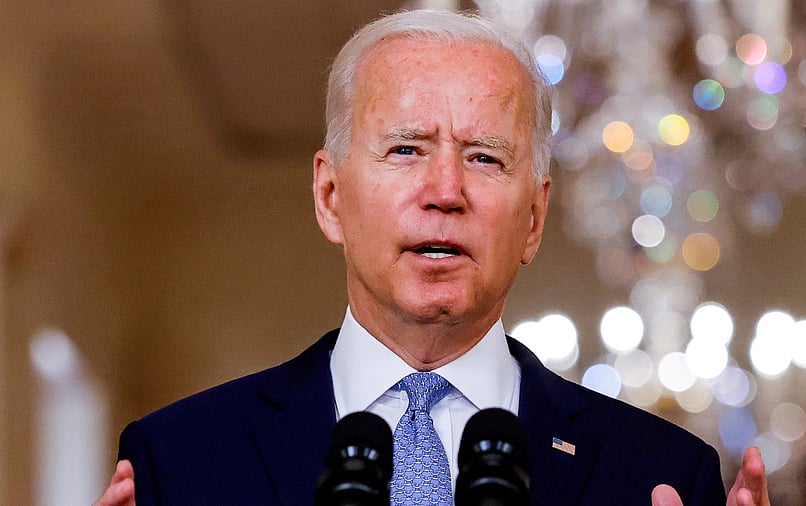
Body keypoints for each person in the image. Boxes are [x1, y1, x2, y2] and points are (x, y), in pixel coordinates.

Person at [94, 9, 770, 506]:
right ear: (330, 196)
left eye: (484, 158)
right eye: (407, 149)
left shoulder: (657, 474)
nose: (445, 192)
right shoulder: (182, 460)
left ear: (533, 219)